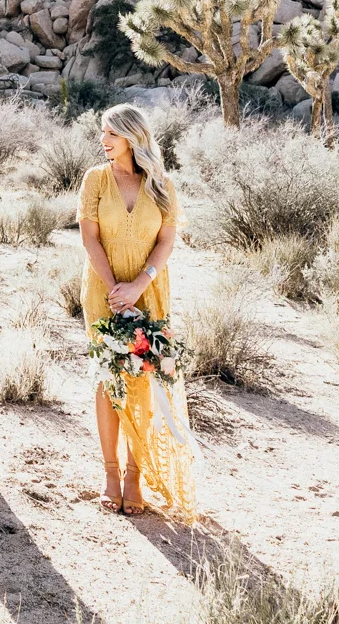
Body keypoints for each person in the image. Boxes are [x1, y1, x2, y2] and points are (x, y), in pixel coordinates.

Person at [79, 103, 198, 519]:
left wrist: (139, 285)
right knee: (110, 378)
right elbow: (90, 239)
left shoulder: (161, 185)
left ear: (132, 136)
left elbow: (166, 241)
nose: (103, 141)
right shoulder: (95, 180)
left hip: (149, 292)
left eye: (110, 133)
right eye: (103, 133)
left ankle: (135, 476)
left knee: (146, 383)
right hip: (104, 291)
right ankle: (111, 474)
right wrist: (116, 290)